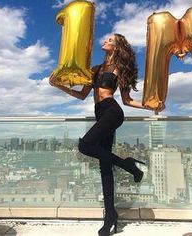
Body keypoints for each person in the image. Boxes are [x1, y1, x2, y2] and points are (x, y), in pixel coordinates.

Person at [50, 33, 146, 236]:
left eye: (110, 40)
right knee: (105, 167)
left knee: (84, 145)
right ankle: (110, 216)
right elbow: (82, 95)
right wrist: (59, 86)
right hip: (100, 113)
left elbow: (127, 100)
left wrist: (150, 105)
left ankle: (129, 166)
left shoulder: (119, 69)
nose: (105, 41)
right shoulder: (95, 70)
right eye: (106, 39)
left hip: (112, 111)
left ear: (117, 47)